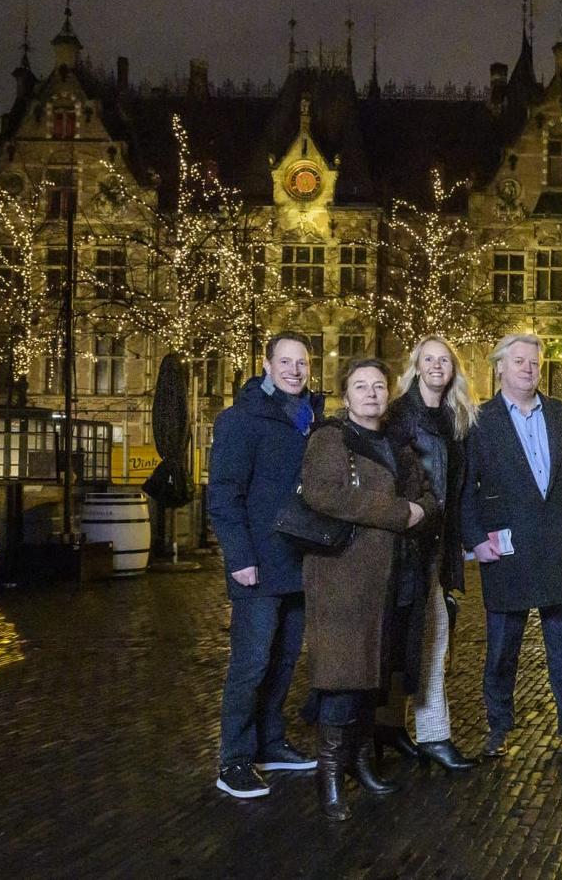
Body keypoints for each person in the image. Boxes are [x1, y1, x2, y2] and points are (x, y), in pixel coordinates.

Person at [460, 333, 562, 756]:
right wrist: (475, 539)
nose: (529, 369)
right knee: (502, 650)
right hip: (505, 548)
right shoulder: (480, 420)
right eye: (519, 362)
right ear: (500, 368)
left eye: (535, 362)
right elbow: (465, 490)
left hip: (554, 543)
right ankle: (498, 727)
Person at [300, 358, 434, 821]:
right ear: (346, 394)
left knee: (372, 676)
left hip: (390, 576)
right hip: (342, 577)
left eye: (379, 386)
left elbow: (427, 493)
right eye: (361, 386)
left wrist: (423, 509)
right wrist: (401, 512)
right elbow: (326, 495)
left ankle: (358, 761)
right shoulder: (331, 438)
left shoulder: (397, 442)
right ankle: (330, 773)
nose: (372, 394)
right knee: (341, 676)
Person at [207, 331, 323, 799]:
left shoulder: (311, 420)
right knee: (251, 664)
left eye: (302, 363)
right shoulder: (240, 420)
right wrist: (239, 558)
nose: (295, 371)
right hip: (258, 565)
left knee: (284, 661)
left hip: (298, 562)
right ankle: (233, 759)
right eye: (286, 362)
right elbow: (224, 495)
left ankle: (270, 743)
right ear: (267, 365)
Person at [373, 337, 478, 772]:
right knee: (411, 639)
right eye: (429, 359)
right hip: (406, 545)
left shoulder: (457, 418)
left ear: (453, 369)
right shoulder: (399, 416)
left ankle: (404, 729)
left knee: (428, 637)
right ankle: (417, 732)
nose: (437, 366)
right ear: (415, 367)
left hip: (436, 544)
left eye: (444, 360)